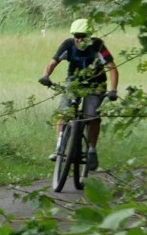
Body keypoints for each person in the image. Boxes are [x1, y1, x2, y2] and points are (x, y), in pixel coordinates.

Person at [38, 17, 119, 172]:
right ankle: (59, 147)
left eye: (83, 36)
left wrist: (113, 90)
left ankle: (92, 150)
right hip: (74, 83)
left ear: (89, 36)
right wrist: (46, 76)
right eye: (77, 36)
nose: (79, 39)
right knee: (64, 112)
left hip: (96, 84)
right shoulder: (68, 45)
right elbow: (52, 63)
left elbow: (112, 68)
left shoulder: (98, 45)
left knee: (92, 115)